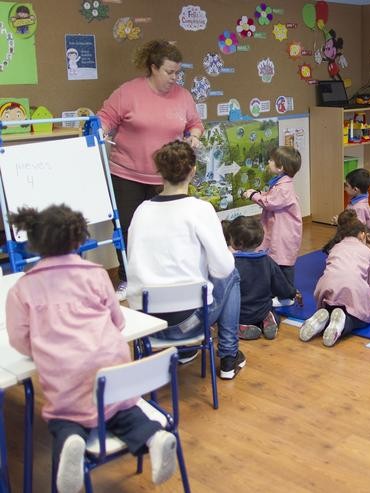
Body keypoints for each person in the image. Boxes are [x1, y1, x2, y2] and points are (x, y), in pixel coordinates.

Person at [5, 205, 177, 493]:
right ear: (79, 238)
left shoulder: (23, 288)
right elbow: (118, 321)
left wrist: (44, 347)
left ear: (35, 242)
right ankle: (154, 437)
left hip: (66, 377)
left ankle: (72, 440)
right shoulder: (96, 274)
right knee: (124, 409)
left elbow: (20, 340)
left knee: (66, 419)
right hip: (114, 373)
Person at [126, 141, 245, 380]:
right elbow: (222, 268)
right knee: (231, 273)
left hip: (147, 323)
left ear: (159, 173)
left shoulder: (141, 210)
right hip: (188, 322)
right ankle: (229, 357)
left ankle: (186, 350)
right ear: (193, 170)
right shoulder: (200, 209)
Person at [98, 40, 204, 296]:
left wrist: (195, 135)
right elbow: (104, 118)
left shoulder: (183, 96)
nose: (174, 77)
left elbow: (195, 122)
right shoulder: (128, 92)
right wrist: (99, 131)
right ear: (153, 68)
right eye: (169, 72)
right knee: (128, 229)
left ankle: (161, 278)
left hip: (167, 177)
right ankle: (127, 278)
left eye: (178, 72)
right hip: (127, 174)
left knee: (166, 229)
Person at [299, 219, 370, 347]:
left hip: (327, 288)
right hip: (352, 289)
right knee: (360, 319)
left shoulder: (336, 247)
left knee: (332, 306)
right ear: (362, 234)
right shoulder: (368, 252)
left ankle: (322, 319)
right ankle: (342, 323)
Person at [244, 146, 303, 304]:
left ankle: (287, 296)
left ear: (281, 167)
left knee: (284, 263)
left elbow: (270, 202)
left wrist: (253, 195)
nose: (268, 162)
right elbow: (271, 197)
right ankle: (277, 291)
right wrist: (259, 193)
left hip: (284, 233)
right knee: (276, 260)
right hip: (278, 230)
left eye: (271, 160)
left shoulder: (284, 188)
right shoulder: (280, 184)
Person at [226, 215, 298, 340]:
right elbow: (281, 285)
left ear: (237, 242)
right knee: (272, 312)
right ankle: (269, 319)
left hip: (240, 314)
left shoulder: (230, 264)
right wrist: (292, 292)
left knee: (226, 321)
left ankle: (240, 328)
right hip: (262, 310)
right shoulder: (267, 261)